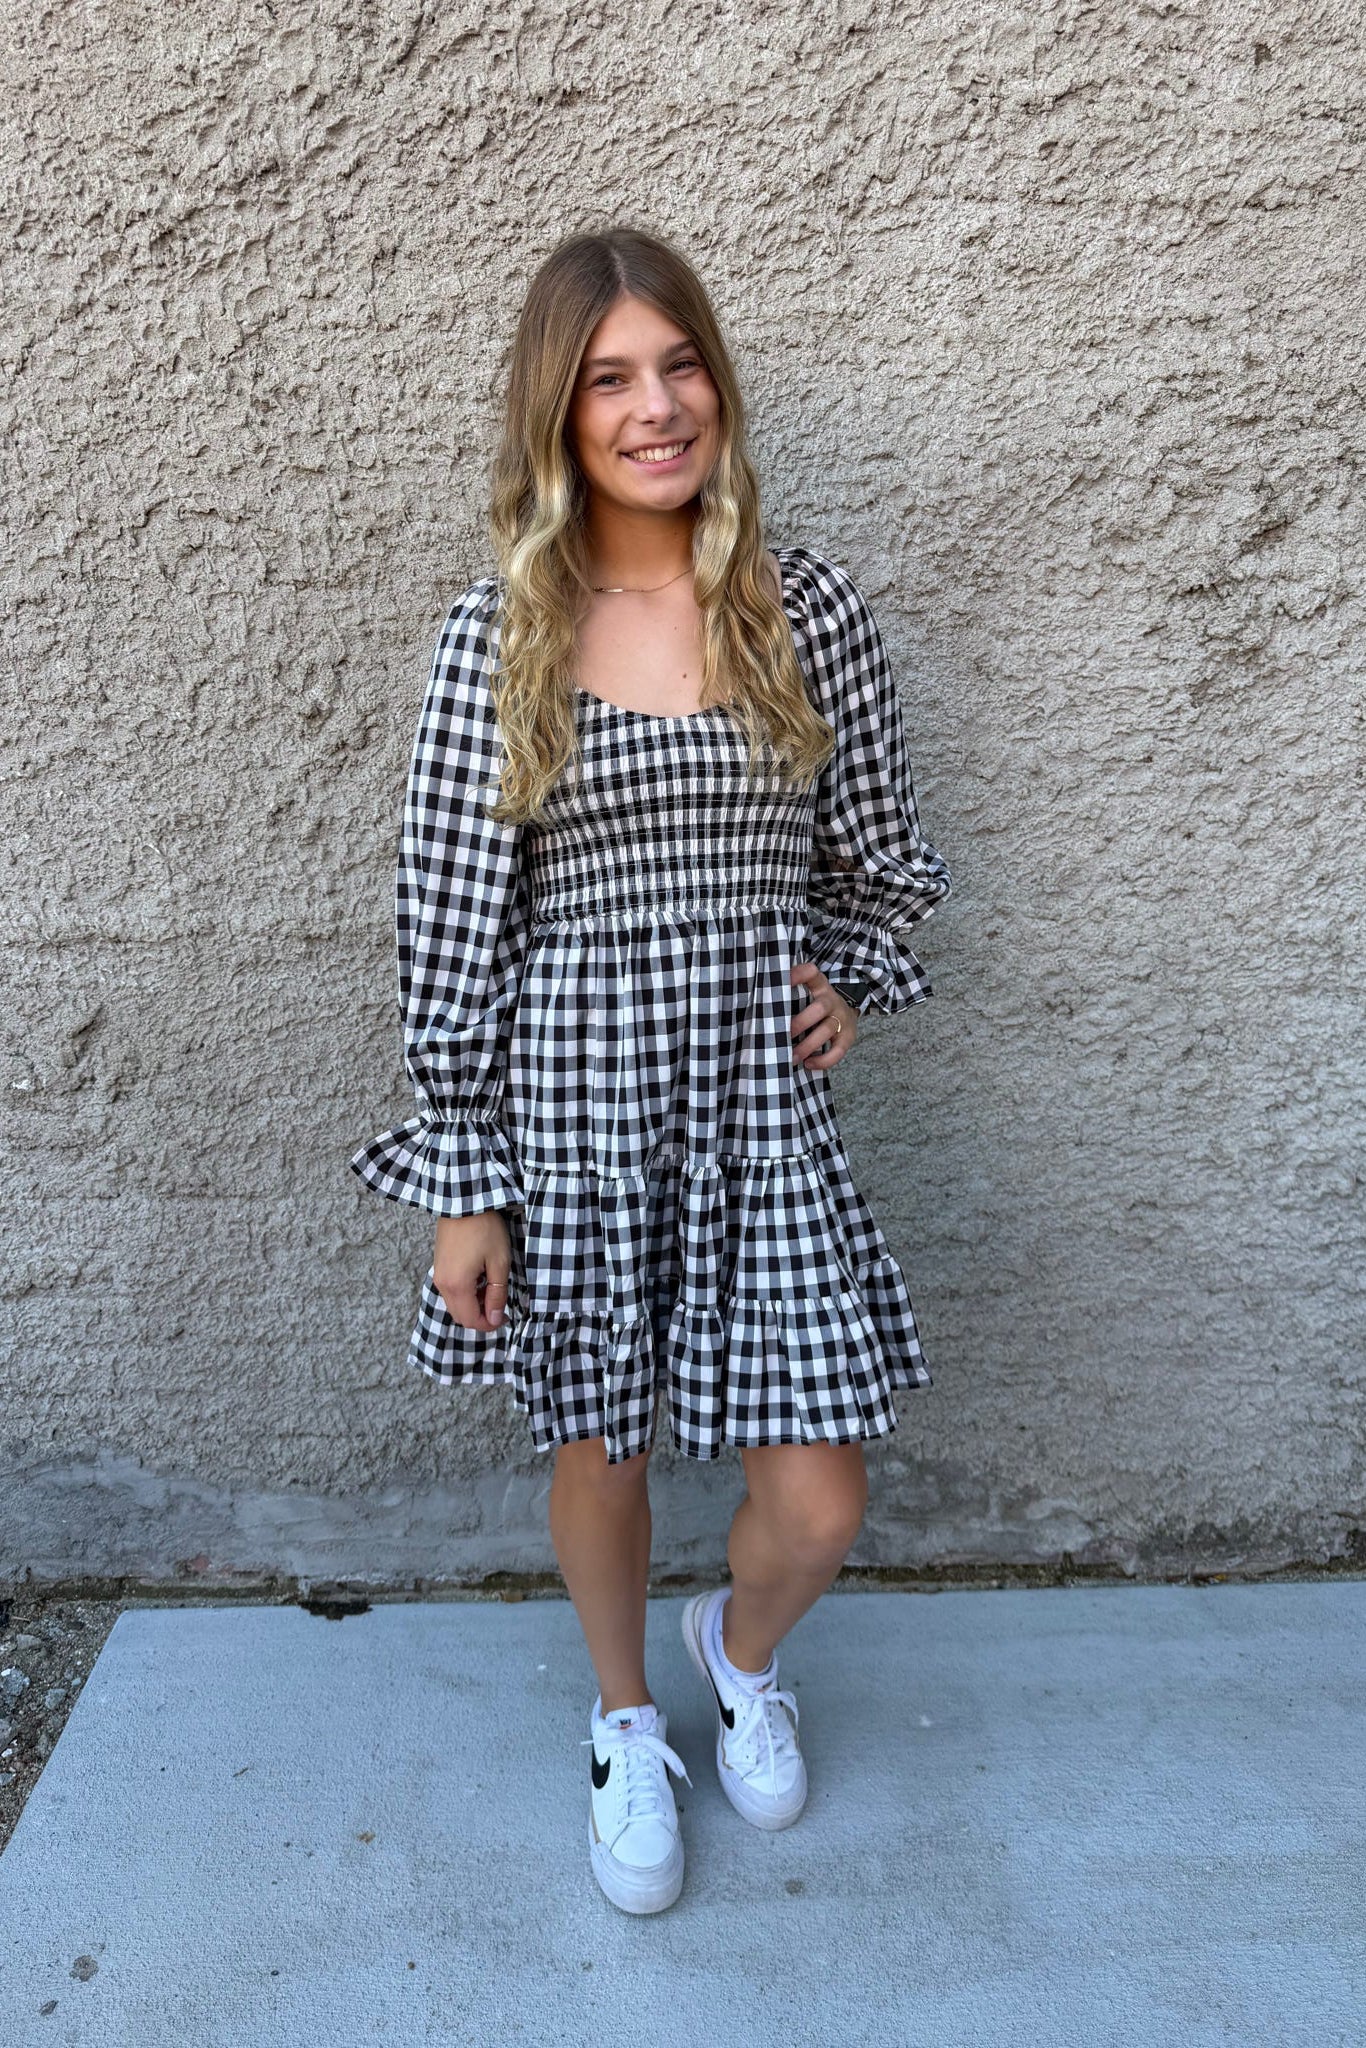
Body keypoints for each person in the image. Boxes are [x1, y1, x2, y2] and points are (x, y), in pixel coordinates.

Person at [349, 226, 953, 1916]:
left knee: (817, 1497)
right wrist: (465, 1179)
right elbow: (451, 919)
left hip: (760, 1109)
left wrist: (848, 974)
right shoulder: (504, 633)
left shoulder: (801, 607)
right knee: (599, 1445)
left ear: (716, 385)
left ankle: (734, 1655)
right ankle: (625, 1718)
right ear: (560, 414)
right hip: (577, 1103)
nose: (655, 406)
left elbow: (881, 858)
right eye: (610, 378)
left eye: (679, 365)